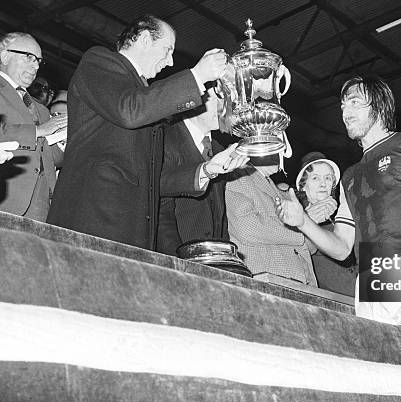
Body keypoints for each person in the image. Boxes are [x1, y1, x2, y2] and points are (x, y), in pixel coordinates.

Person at [276, 75, 401, 337]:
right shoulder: (350, 176)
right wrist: (303, 222)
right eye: (342, 106)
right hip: (371, 285)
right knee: (384, 375)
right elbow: (341, 247)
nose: (344, 111)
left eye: (354, 102)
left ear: (380, 105)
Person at [47, 14, 247, 249]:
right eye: (167, 49)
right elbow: (129, 110)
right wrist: (197, 75)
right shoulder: (100, 60)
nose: (170, 62)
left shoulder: (148, 100)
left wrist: (206, 170)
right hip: (92, 219)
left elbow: (156, 180)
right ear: (143, 39)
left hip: (134, 232)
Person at [0, 33, 66, 219]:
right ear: (5, 56)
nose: (36, 66)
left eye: (38, 60)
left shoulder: (41, 109)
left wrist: (65, 141)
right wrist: (39, 130)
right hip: (6, 199)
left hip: (41, 207)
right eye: (29, 57)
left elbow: (52, 158)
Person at [157, 87, 230, 255]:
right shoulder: (165, 137)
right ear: (193, 100)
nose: (223, 106)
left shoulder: (220, 150)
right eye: (216, 99)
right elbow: (160, 208)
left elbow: (221, 216)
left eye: (225, 100)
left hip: (211, 261)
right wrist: (177, 259)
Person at [225, 154, 318, 286]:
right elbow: (248, 228)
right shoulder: (238, 176)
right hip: (265, 283)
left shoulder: (276, 189)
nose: (281, 153)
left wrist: (311, 223)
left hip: (299, 283)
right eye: (275, 146)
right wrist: (302, 228)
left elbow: (309, 248)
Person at [296, 151, 356, 296]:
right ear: (303, 185)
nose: (323, 184)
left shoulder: (346, 212)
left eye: (328, 178)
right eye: (315, 178)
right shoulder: (296, 217)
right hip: (329, 296)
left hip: (360, 291)